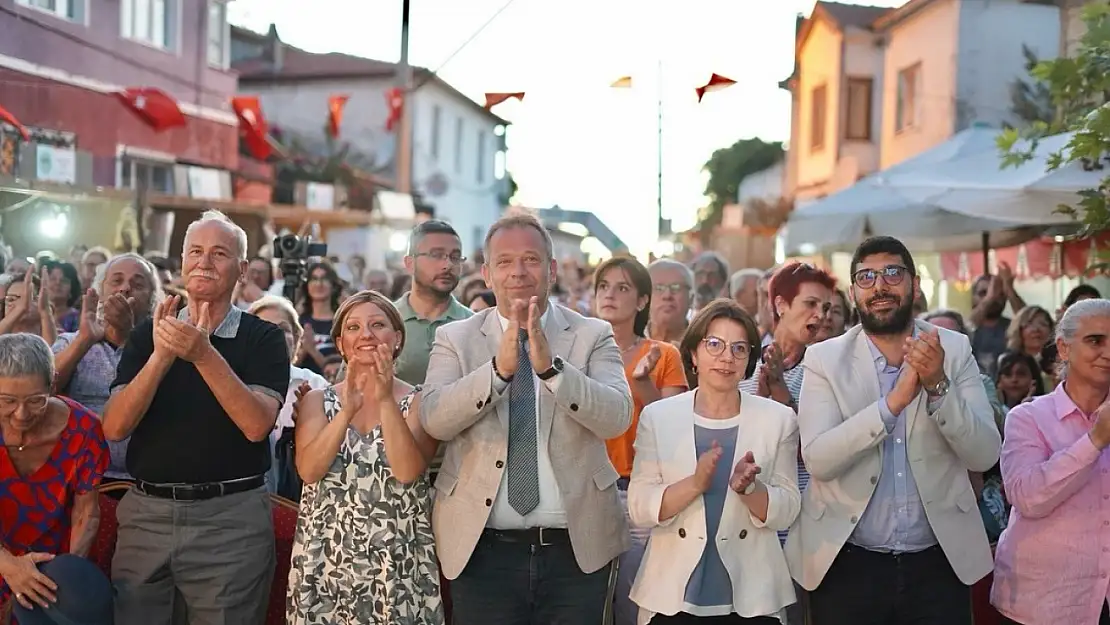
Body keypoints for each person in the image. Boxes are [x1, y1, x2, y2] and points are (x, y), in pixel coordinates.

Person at [421, 212, 633, 624]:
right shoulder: (455, 338)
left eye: (531, 259)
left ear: (552, 269)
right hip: (482, 550)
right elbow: (434, 419)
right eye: (504, 261)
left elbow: (617, 418)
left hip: (577, 550)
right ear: (486, 273)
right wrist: (497, 373)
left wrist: (553, 371)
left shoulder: (592, 335)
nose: (518, 271)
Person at [787, 236, 1000, 625]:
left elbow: (984, 454)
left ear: (915, 285)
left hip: (938, 561)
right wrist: (891, 405)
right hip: (846, 562)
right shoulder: (824, 359)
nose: (880, 286)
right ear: (853, 293)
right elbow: (818, 458)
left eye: (892, 273)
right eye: (866, 277)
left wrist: (938, 385)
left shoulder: (952, 350)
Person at [103, 210, 291, 625]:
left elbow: (256, 424)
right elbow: (115, 427)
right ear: (183, 261)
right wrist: (162, 355)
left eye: (219, 253)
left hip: (230, 522)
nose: (204, 262)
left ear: (242, 269)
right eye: (196, 251)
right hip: (146, 516)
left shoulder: (263, 338)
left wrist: (203, 354)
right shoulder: (146, 334)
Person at [628, 299, 799, 624]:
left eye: (739, 348)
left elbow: (788, 509)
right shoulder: (659, 416)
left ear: (749, 358)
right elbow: (639, 506)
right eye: (715, 344)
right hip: (671, 597)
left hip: (753, 596)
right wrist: (694, 484)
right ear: (693, 353)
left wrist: (751, 490)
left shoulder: (778, 420)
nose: (726, 357)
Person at [287, 290, 443, 624]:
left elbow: (407, 472)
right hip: (326, 557)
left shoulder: (420, 401)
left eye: (377, 324)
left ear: (397, 338)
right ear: (342, 343)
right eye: (354, 328)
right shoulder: (316, 400)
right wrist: (346, 412)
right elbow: (309, 470)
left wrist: (385, 399)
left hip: (396, 560)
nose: (367, 335)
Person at [992, 298, 1110, 625]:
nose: (1108, 352)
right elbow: (1027, 497)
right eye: (1095, 340)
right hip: (1044, 604)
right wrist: (1096, 439)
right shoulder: (1028, 417)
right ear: (1063, 348)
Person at [593, 256, 688, 625]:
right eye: (603, 286)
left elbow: (674, 426)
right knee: (592, 599)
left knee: (639, 602)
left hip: (640, 490)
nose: (610, 295)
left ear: (642, 301)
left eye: (622, 288)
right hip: (590, 488)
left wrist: (644, 382)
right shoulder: (577, 353)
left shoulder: (664, 354)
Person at [0, 334, 108, 615]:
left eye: (37, 400)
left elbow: (86, 513)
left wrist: (60, 581)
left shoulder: (84, 429)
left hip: (53, 559)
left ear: (53, 384)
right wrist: (9, 566)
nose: (21, 414)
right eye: (6, 401)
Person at [52, 253, 162, 492]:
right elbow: (43, 390)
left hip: (144, 485)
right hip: (78, 477)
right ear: (99, 292)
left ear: (153, 300)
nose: (125, 288)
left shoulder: (163, 351)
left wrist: (129, 337)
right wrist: (83, 340)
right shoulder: (70, 342)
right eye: (117, 281)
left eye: (138, 284)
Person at [247, 296, 328, 502]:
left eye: (282, 329)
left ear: (297, 337)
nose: (274, 335)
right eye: (264, 327)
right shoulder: (234, 385)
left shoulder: (315, 385)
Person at [394, 220, 474, 387]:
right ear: (410, 263)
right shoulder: (383, 321)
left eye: (455, 257)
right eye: (436, 255)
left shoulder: (475, 326)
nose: (448, 265)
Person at [647, 260, 693, 345]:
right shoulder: (625, 342)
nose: (667, 296)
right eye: (658, 288)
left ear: (691, 299)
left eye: (676, 287)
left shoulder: (703, 343)